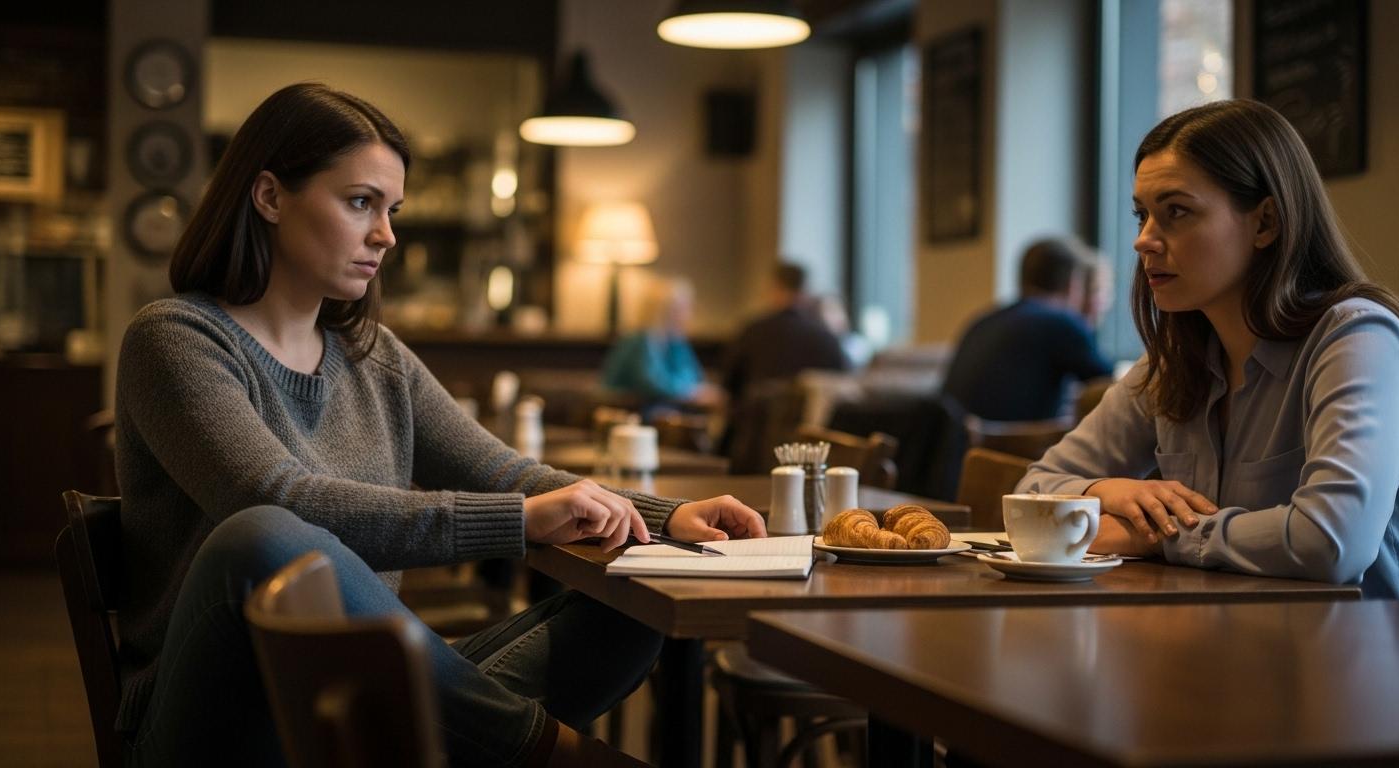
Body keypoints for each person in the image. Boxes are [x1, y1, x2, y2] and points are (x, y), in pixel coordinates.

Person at [113, 83, 766, 767]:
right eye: (360, 202)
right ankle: (544, 752)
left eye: (391, 210)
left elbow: (509, 474)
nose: (386, 235)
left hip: (360, 704)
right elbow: (278, 498)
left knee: (638, 596)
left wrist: (667, 518)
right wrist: (519, 521)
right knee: (263, 534)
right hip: (221, 723)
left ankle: (466, 741)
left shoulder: (374, 357)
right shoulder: (177, 339)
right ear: (270, 196)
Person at [1018, 99, 1399, 599]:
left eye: (1176, 212)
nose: (1143, 241)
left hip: (1347, 658)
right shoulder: (1173, 361)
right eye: (1142, 216)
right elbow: (1033, 489)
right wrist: (1101, 491)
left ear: (1266, 222)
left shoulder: (1356, 337)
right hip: (1217, 644)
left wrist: (1159, 536)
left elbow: (1332, 542)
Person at [941, 237, 1113, 421]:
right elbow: (1111, 385)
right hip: (1006, 446)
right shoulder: (1061, 322)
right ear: (1073, 283)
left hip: (958, 445)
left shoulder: (982, 321)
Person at [721, 261, 849, 404]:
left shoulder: (752, 331)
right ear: (805, 291)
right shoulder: (825, 336)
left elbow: (729, 383)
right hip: (809, 423)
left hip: (755, 422)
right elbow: (842, 383)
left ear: (775, 287)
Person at [600, 277, 719, 418]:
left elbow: (694, 377)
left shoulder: (676, 342)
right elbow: (651, 384)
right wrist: (690, 391)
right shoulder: (639, 341)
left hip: (660, 408)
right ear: (663, 310)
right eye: (681, 308)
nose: (688, 314)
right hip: (625, 411)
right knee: (667, 415)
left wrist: (695, 391)